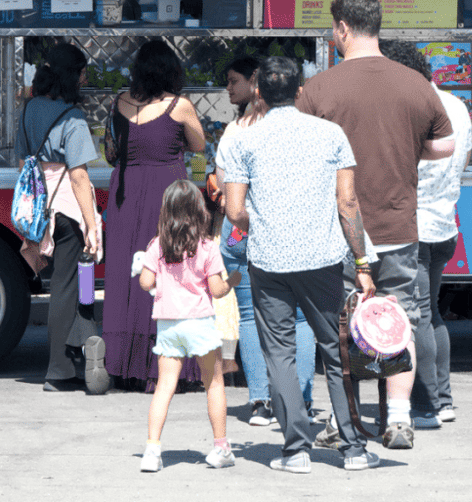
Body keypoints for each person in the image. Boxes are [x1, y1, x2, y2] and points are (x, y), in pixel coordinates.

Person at [297, 0, 453, 452]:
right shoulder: (414, 84)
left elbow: (305, 159)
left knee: (343, 326)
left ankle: (343, 421)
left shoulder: (320, 89)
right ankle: (400, 420)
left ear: (342, 28)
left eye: (333, 28)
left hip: (342, 234)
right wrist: (409, 149)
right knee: (398, 320)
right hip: (400, 228)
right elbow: (444, 145)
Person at [225, 57, 377, 475]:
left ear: (258, 93)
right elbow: (347, 203)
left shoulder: (242, 140)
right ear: (300, 90)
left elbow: (235, 210)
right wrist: (361, 262)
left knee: (280, 353)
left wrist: (266, 224)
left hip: (269, 261)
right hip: (323, 260)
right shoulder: (330, 134)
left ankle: (295, 450)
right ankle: (353, 448)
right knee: (337, 351)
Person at [211, 57, 319, 427]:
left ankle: (260, 402)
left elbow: (226, 188)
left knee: (250, 316)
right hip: (293, 229)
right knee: (301, 318)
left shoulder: (236, 133)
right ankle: (300, 399)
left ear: (256, 92)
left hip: (242, 231)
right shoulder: (313, 132)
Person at [379, 39, 472, 427]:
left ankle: (426, 406)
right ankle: (444, 400)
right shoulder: (457, 106)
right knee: (431, 312)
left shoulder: (410, 109)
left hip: (413, 228)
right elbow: (462, 159)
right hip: (445, 225)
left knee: (413, 319)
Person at [103, 39, 206, 388]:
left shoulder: (120, 103)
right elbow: (199, 145)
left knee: (126, 275)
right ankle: (165, 365)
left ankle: (122, 363)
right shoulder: (180, 106)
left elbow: (112, 150)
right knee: (171, 274)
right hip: (167, 196)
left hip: (126, 193)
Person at [15, 43, 109, 395]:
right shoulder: (72, 117)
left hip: (39, 208)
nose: (86, 79)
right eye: (83, 72)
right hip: (68, 211)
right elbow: (79, 176)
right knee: (67, 292)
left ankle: (66, 362)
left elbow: (23, 157)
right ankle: (59, 370)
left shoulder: (28, 109)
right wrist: (92, 225)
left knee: (62, 288)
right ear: (72, 76)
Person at [137, 180, 241, 472]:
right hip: (200, 323)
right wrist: (233, 280)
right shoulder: (207, 247)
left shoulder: (157, 244)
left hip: (169, 324)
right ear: (199, 211)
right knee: (214, 383)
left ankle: (152, 450)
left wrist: (164, 283)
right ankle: (221, 447)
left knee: (164, 386)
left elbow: (145, 281)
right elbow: (217, 290)